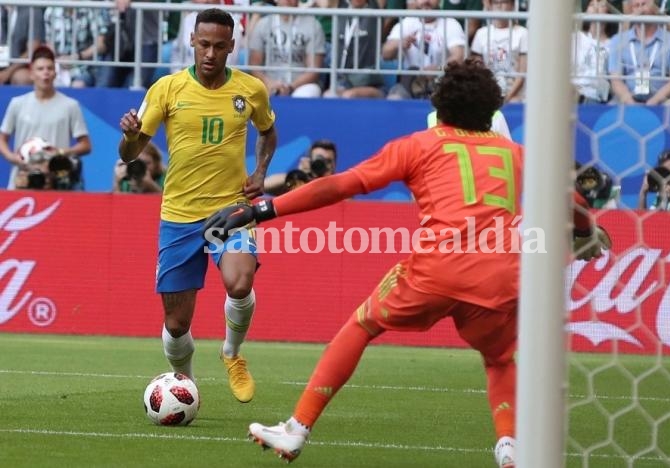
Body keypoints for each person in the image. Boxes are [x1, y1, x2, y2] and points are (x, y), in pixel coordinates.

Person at [204, 59, 610, 466]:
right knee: (500, 358)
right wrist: (584, 229)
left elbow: (342, 185)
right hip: (500, 278)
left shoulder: (419, 145)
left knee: (362, 325)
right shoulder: (516, 153)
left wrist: (264, 210)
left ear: (439, 105)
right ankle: (510, 447)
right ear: (492, 111)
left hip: (436, 270)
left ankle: (297, 429)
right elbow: (569, 197)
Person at [117, 8, 278, 403]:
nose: (210, 53)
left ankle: (232, 353)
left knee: (240, 282)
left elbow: (268, 132)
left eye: (219, 46)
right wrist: (131, 137)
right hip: (179, 215)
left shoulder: (250, 89)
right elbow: (130, 154)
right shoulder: (167, 89)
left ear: (231, 47)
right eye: (204, 44)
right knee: (176, 323)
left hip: (230, 209)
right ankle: (183, 384)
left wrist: (259, 173)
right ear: (191, 41)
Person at [0, 46, 91, 190]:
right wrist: (12, 158)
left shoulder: (70, 105)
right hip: (23, 179)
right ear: (31, 73)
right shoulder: (17, 104)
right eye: (40, 69)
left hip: (55, 181)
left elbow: (85, 145)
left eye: (49, 68)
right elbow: (2, 139)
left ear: (55, 73)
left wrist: (59, 153)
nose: (45, 73)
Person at [607, 0, 670, 105]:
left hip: (663, 99)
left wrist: (653, 102)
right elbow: (615, 80)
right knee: (611, 108)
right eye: (636, 5)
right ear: (631, 10)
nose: (641, 9)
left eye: (644, 4)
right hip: (626, 99)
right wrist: (631, 103)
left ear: (655, 8)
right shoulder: (618, 41)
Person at [263, 139, 337, 195]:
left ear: (334, 165)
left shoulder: (339, 190)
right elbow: (264, 185)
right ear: (309, 161)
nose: (322, 164)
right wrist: (300, 175)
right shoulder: (295, 184)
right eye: (318, 159)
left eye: (328, 161)